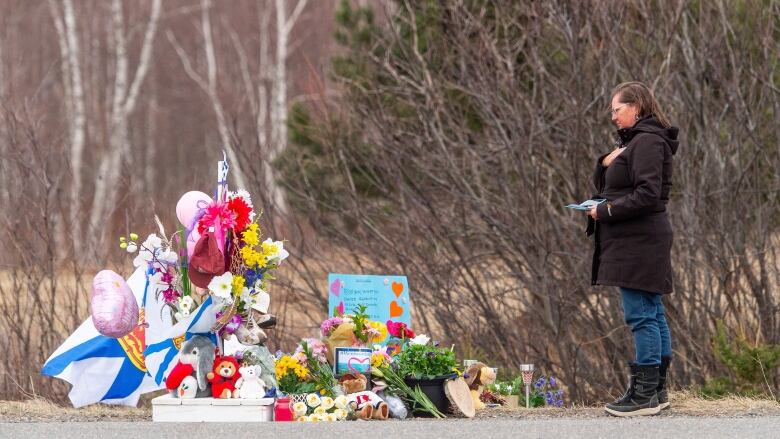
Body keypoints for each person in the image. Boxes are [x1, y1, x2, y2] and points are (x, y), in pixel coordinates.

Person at [586, 81, 679, 417]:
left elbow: (648, 194)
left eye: (617, 109)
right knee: (651, 311)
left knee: (642, 314)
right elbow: (617, 185)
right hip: (637, 239)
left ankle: (643, 396)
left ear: (636, 106)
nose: (613, 116)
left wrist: (606, 211)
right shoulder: (637, 142)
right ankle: (655, 392)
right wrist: (606, 162)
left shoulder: (649, 142)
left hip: (640, 240)